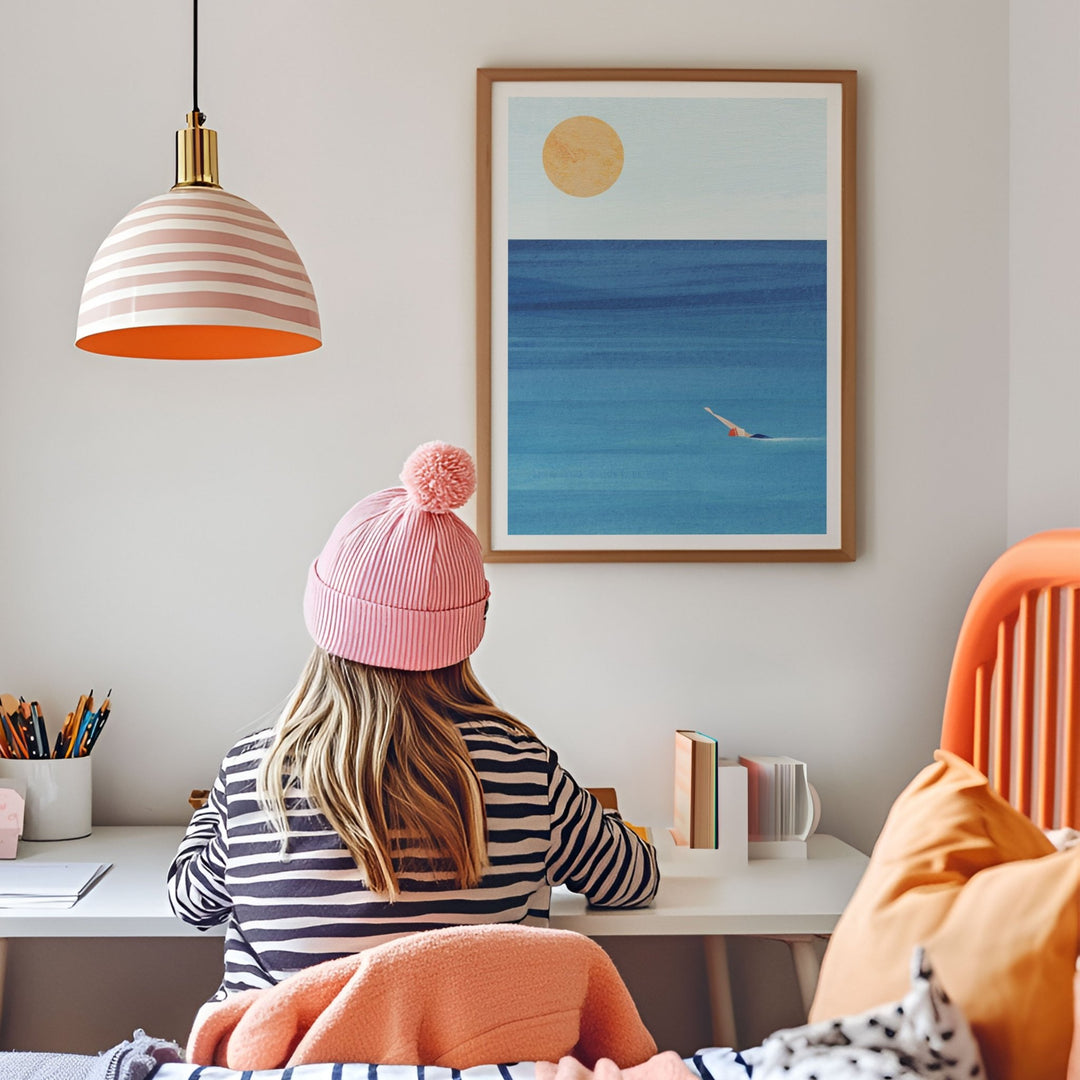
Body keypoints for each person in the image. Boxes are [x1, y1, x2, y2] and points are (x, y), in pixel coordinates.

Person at [168, 441, 659, 999]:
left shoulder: (256, 767)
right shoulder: (523, 765)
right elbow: (633, 880)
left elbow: (191, 904)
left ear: (324, 617)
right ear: (470, 625)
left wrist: (214, 813)